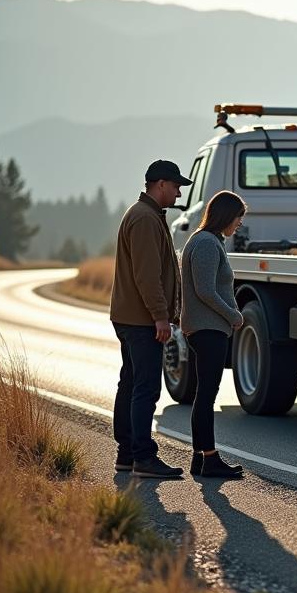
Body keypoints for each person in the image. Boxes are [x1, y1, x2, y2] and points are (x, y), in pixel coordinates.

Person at [110, 160, 191, 478]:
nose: (179, 191)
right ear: (160, 184)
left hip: (131, 316)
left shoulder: (145, 215)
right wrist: (160, 317)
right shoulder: (145, 219)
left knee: (130, 384)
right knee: (144, 388)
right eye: (176, 186)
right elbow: (147, 276)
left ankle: (127, 454)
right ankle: (143, 457)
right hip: (141, 320)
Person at [180, 190, 247, 478]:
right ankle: (210, 458)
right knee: (207, 394)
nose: (239, 225)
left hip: (206, 328)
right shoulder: (207, 243)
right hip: (208, 328)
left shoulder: (206, 240)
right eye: (238, 218)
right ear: (225, 216)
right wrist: (233, 315)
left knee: (203, 394)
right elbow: (205, 290)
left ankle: (200, 457)